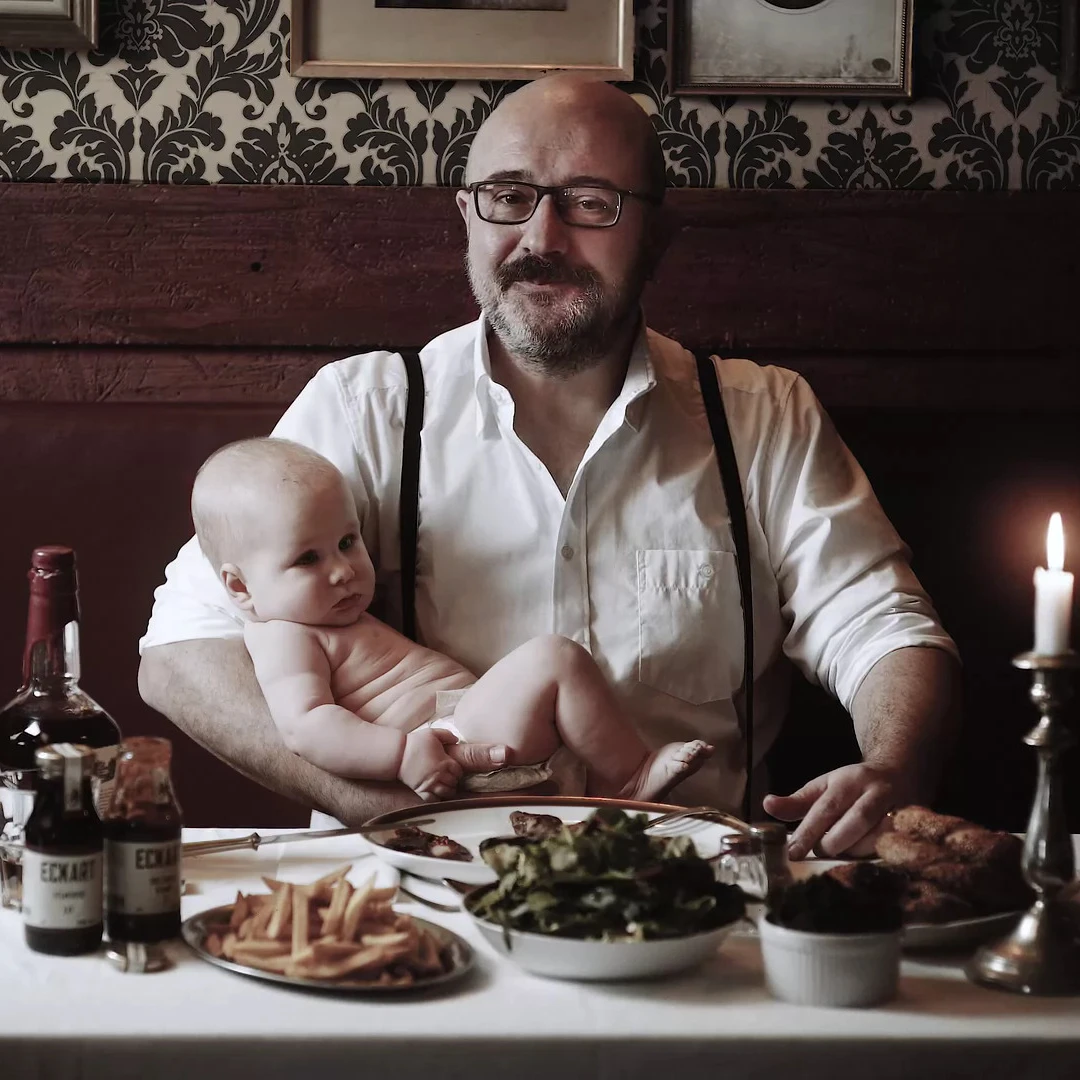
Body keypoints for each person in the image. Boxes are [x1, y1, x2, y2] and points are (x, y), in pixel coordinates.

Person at [138, 73, 960, 860]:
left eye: (590, 202)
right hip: (418, 893)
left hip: (693, 890)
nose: (540, 239)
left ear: (658, 235)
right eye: (508, 196)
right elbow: (180, 654)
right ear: (467, 214)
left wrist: (895, 768)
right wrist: (399, 811)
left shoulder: (762, 415)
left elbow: (882, 627)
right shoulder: (363, 407)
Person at [190, 436, 712, 803]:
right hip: (442, 740)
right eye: (308, 559)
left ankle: (608, 784)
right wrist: (401, 755)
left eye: (348, 542)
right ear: (240, 587)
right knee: (554, 658)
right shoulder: (284, 635)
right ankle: (628, 779)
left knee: (556, 668)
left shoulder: (326, 619)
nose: (343, 570)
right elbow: (305, 725)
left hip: (460, 725)